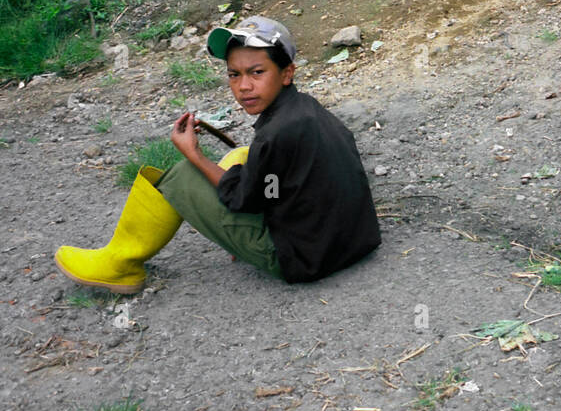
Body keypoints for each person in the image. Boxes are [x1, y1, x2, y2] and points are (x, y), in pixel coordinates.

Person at [54, 15, 381, 291]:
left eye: (257, 72)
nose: (243, 87)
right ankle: (123, 257)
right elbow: (282, 181)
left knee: (182, 175)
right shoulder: (306, 110)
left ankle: (120, 263)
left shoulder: (275, 133)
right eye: (234, 74)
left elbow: (244, 201)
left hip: (303, 261)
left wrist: (194, 155)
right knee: (242, 156)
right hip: (354, 243)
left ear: (287, 73)